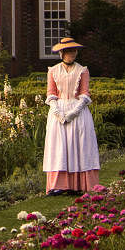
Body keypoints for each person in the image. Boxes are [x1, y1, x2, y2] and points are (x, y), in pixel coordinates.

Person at [42, 36, 100, 195]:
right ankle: (58, 185)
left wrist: (74, 112)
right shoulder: (53, 71)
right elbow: (51, 93)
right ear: (62, 53)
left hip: (78, 113)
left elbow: (84, 93)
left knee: (79, 146)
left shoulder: (82, 70)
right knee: (59, 147)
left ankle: (78, 185)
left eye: (74, 50)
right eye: (68, 51)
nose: (72, 54)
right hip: (58, 113)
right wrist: (57, 112)